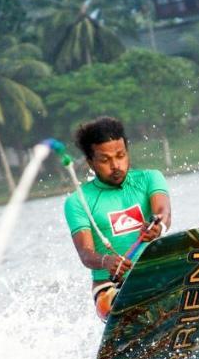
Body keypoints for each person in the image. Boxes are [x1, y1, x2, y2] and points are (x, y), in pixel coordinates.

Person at [63, 116, 172, 321]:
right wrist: (106, 261)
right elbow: (86, 254)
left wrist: (159, 227)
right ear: (90, 163)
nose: (116, 165)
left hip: (155, 273)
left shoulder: (150, 178)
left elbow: (163, 212)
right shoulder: (78, 202)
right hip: (110, 288)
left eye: (120, 155)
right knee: (114, 303)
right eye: (105, 160)